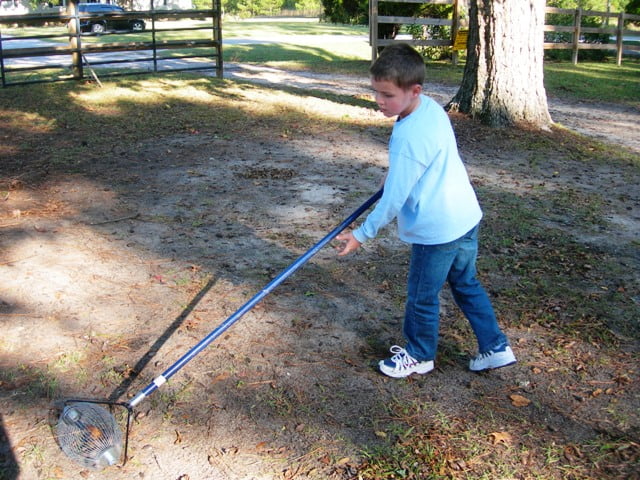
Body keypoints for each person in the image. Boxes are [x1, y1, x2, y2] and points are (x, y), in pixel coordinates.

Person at [335, 43, 516, 378]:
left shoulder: (410, 137)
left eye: (387, 95)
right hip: (464, 217)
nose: (378, 101)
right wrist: (395, 175)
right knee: (466, 283)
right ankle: (495, 346)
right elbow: (418, 167)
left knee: (421, 296)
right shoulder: (428, 108)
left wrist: (361, 234)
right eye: (375, 92)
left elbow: (393, 199)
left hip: (438, 229)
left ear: (414, 90)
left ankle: (419, 354)